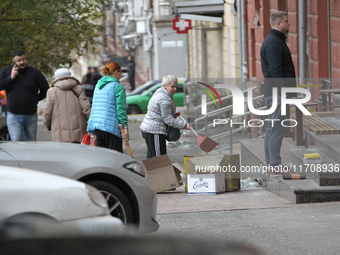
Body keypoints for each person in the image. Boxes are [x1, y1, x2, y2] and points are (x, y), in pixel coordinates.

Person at [260, 11, 296, 173]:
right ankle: (274, 164)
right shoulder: (274, 43)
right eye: (287, 21)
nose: (289, 24)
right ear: (278, 24)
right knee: (277, 127)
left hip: (274, 92)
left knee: (272, 127)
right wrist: (285, 92)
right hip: (277, 93)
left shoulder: (274, 41)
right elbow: (276, 71)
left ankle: (271, 164)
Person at [0, 50, 49, 141]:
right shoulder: (6, 71)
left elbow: (46, 89)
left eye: (24, 59)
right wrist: (11, 78)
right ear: (13, 61)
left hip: (31, 115)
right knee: (16, 141)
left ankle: (31, 156)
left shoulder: (35, 72)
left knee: (31, 141)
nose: (22, 62)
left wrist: (34, 99)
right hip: (13, 115)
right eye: (19, 60)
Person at [140, 74, 191, 159]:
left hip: (150, 129)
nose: (175, 89)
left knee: (153, 157)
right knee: (159, 159)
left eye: (176, 86)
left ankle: (151, 172)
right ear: (164, 86)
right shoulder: (164, 99)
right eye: (172, 86)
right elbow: (167, 119)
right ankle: (158, 172)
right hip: (155, 131)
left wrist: (172, 115)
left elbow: (162, 114)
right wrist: (184, 125)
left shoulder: (161, 93)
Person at [87, 62, 129, 152]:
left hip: (97, 125)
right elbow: (121, 109)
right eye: (121, 73)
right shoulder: (118, 86)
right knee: (115, 155)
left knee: (102, 156)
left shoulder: (98, 86)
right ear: (116, 71)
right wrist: (125, 127)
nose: (121, 76)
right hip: (110, 126)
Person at [42, 68, 91, 143]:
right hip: (78, 131)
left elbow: (47, 111)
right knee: (78, 152)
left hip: (59, 132)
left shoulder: (51, 91)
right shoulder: (79, 89)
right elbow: (86, 107)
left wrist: (47, 123)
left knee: (63, 152)